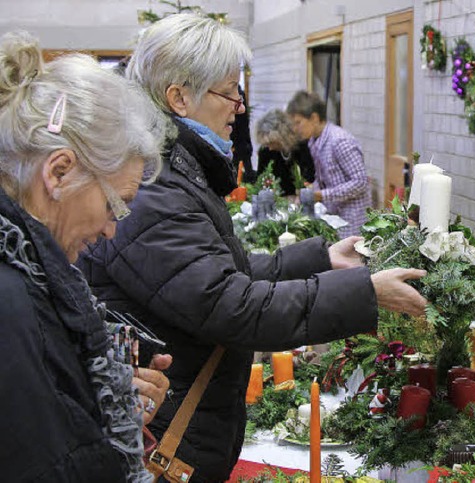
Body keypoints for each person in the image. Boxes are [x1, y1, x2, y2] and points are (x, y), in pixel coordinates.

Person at [77, 13, 427, 483]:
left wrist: (322, 259)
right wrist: (365, 292)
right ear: (179, 97)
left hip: (184, 410)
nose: (239, 107)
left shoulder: (175, 172)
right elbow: (230, 305)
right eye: (229, 91)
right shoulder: (154, 186)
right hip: (170, 422)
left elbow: (218, 272)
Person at [0, 31, 172, 482]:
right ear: (59, 172)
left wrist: (104, 399)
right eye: (115, 204)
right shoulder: (11, 297)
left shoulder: (32, 275)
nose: (112, 229)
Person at [286, 90, 371, 237]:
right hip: (334, 216)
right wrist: (311, 190)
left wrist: (322, 195)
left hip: (351, 220)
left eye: (298, 123)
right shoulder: (314, 140)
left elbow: (360, 183)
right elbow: (325, 178)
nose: (295, 129)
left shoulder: (340, 141)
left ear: (314, 118)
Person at [255, 108, 315, 196]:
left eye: (272, 143)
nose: (270, 148)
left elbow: (310, 178)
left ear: (283, 137)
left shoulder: (303, 148)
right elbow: (261, 182)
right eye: (267, 144)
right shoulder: (265, 151)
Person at [230, 85, 254, 182]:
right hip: (241, 141)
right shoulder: (239, 93)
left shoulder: (238, 94)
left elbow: (243, 123)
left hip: (238, 141)